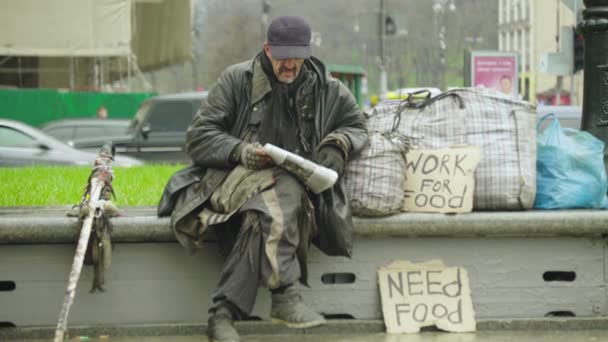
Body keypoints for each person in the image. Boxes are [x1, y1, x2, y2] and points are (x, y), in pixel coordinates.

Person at [157, 16, 368, 342]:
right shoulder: (235, 80)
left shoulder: (329, 88)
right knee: (282, 186)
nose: (290, 64)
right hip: (233, 185)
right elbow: (199, 138)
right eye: (282, 56)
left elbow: (357, 126)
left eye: (296, 56)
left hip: (290, 199)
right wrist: (239, 151)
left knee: (264, 215)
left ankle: (222, 316)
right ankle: (284, 293)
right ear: (266, 49)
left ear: (307, 52)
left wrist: (338, 144)